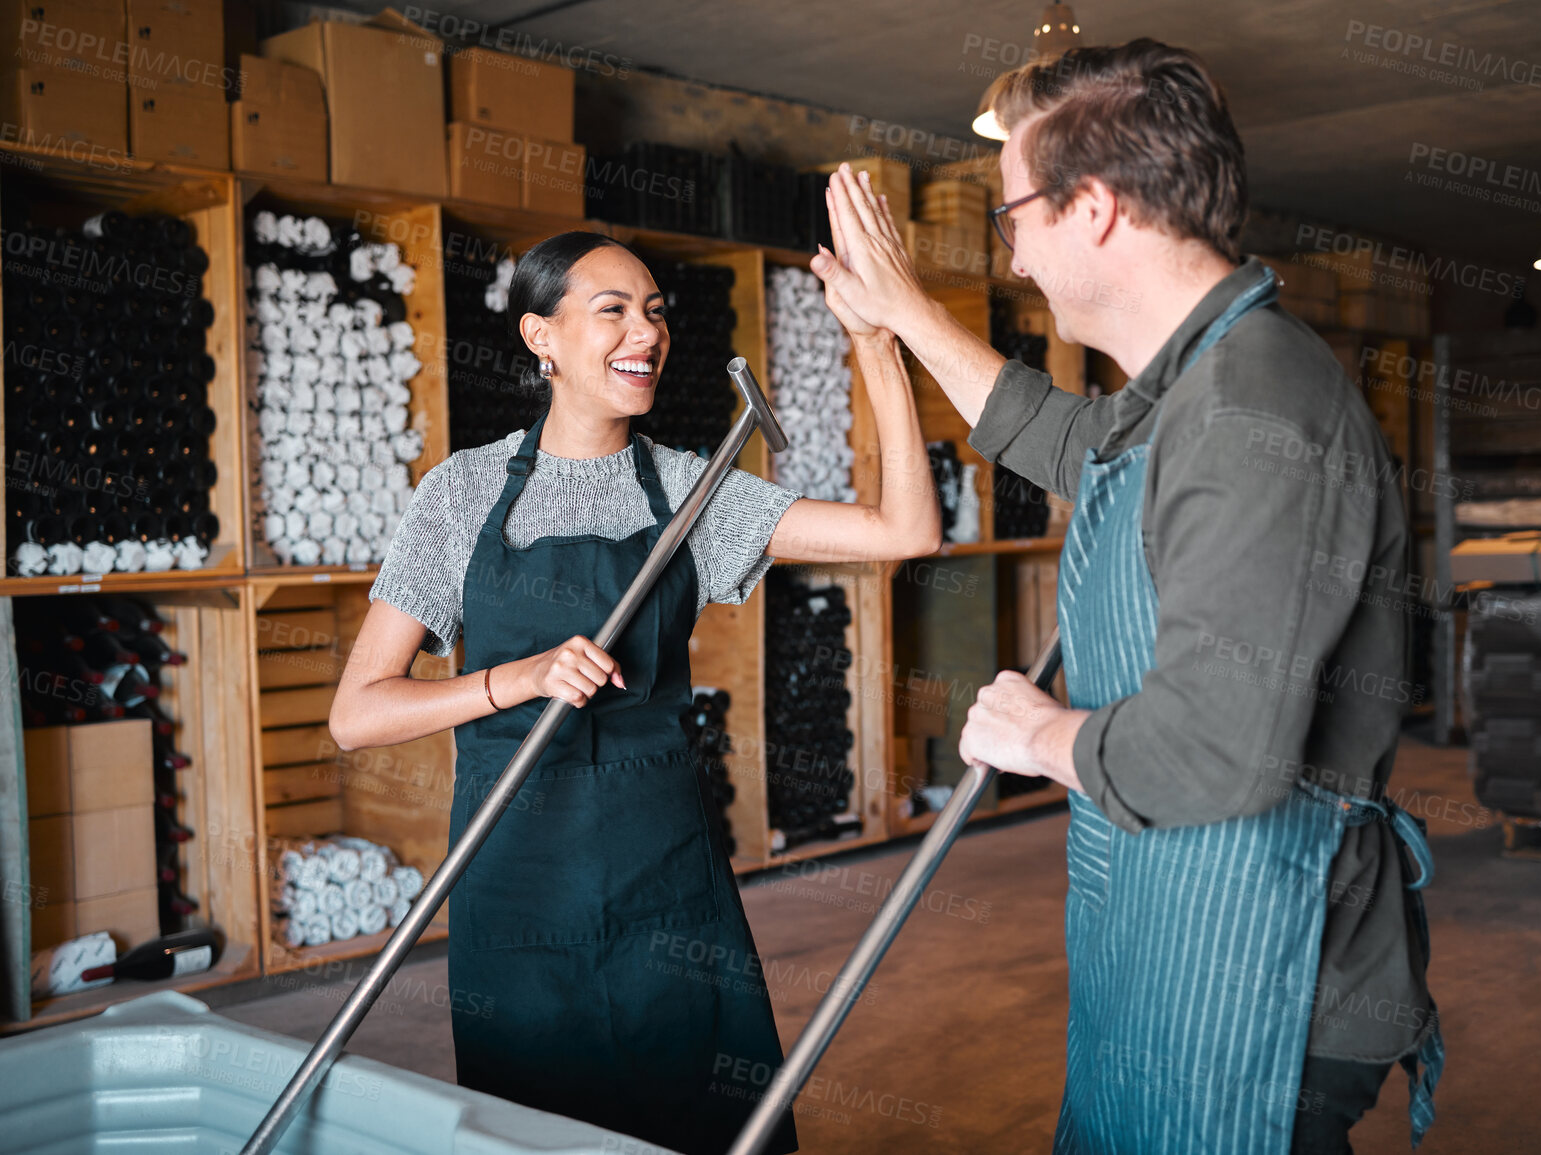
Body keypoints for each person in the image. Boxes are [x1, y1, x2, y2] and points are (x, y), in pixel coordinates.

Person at [808, 39, 1443, 1155]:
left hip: (1266, 971)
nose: (1014, 260)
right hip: (1181, 927)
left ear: (1093, 208)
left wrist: (1042, 734)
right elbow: (1071, 441)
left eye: (1015, 219)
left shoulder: (1256, 410)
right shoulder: (1196, 388)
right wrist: (901, 313)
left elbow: (1213, 757)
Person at [327, 226, 939, 1155]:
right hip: (515, 878)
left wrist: (876, 339)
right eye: (611, 310)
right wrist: (513, 679)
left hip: (666, 880)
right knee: (536, 1127)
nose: (643, 332)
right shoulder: (459, 495)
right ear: (542, 338)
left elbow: (904, 530)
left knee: (700, 1111)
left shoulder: (691, 492)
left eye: (653, 312)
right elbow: (357, 711)